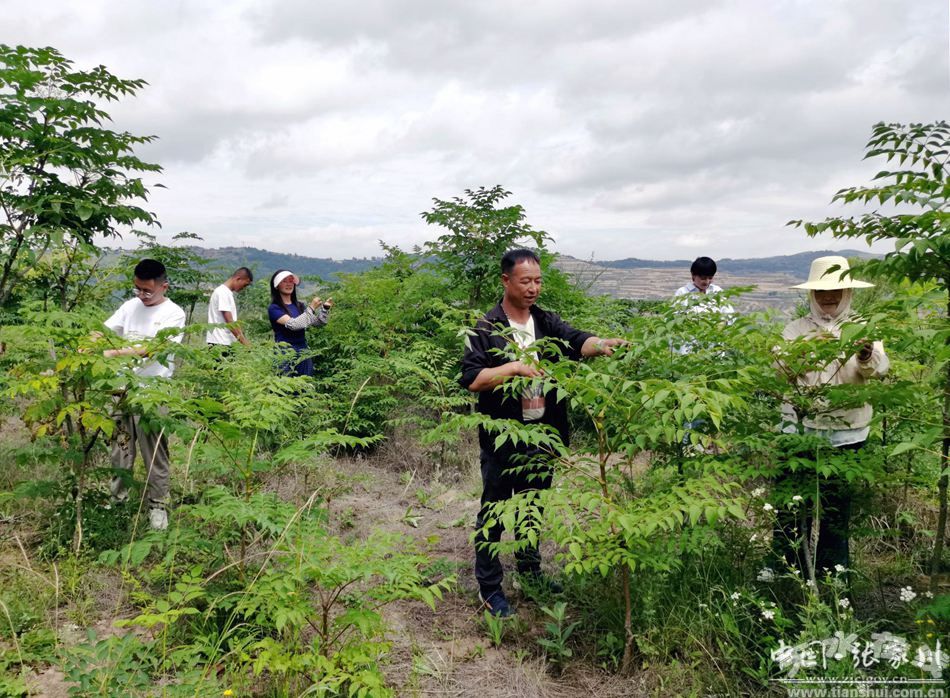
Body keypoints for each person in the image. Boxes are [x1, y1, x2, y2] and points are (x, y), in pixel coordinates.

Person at [460, 249, 626, 617]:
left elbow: (576, 340)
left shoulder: (546, 321)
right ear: (506, 281)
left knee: (532, 507)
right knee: (495, 512)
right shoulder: (485, 327)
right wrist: (514, 367)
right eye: (526, 281)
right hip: (503, 437)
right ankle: (490, 588)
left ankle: (530, 573)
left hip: (543, 436)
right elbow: (473, 378)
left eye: (537, 281)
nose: (533, 288)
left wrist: (601, 344)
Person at [775, 255, 889, 573]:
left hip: (846, 433)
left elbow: (880, 368)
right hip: (797, 431)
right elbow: (780, 371)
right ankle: (785, 573)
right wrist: (801, 355)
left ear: (847, 293)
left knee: (835, 512)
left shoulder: (862, 328)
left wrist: (866, 354)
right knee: (791, 507)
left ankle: (832, 576)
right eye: (821, 291)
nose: (828, 297)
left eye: (835, 291)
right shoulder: (795, 329)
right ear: (812, 294)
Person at [102, 259, 186, 531]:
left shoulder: (174, 314)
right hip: (121, 389)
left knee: (155, 452)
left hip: (153, 392)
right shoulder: (129, 306)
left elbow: (154, 349)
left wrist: (113, 353)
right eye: (137, 288)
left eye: (147, 290)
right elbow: (104, 332)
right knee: (120, 448)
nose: (141, 295)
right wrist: (87, 344)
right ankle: (118, 499)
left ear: (164, 287)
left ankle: (157, 506)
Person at [267, 269, 332, 377]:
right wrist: (311, 308)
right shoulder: (274, 308)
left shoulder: (300, 306)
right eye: (284, 281)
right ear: (277, 286)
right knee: (285, 385)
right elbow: (294, 325)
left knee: (305, 384)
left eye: (291, 281)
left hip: (303, 351)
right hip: (284, 353)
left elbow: (318, 323)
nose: (289, 284)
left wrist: (325, 309)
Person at [207, 267, 253, 349]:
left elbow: (233, 321)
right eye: (245, 285)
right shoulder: (223, 292)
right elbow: (230, 321)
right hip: (220, 342)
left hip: (225, 341)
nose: (244, 288)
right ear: (238, 279)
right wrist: (245, 343)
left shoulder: (227, 293)